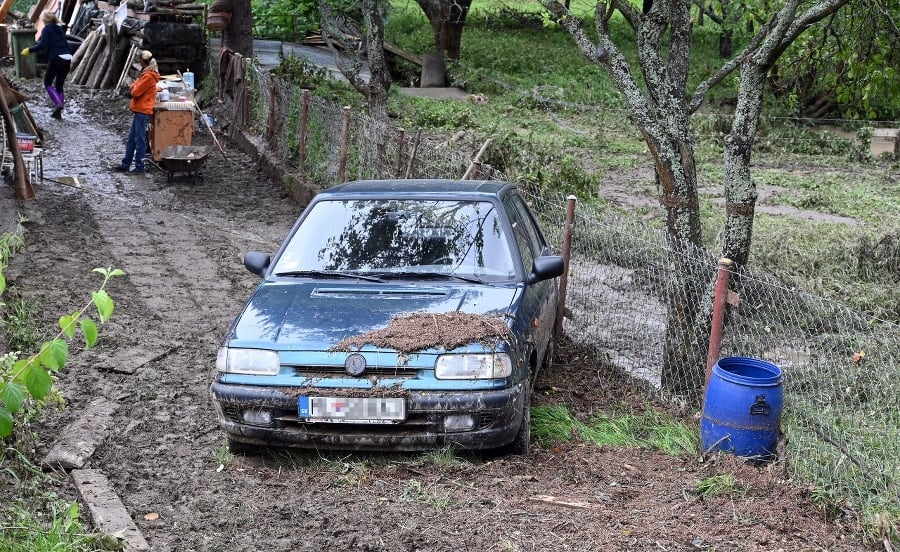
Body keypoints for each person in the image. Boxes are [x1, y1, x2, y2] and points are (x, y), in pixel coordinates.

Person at [20, 10, 72, 119]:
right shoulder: (59, 28)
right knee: (59, 85)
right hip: (67, 58)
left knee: (47, 82)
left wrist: (29, 50)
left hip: (56, 58)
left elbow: (42, 45)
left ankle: (58, 104)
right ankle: (58, 112)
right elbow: (65, 44)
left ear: (43, 20)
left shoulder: (46, 29)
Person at [116, 50, 160, 173]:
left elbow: (134, 92)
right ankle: (126, 164)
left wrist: (134, 85)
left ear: (142, 60)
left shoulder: (148, 76)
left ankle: (139, 166)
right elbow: (136, 87)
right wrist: (135, 85)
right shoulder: (146, 74)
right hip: (139, 110)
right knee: (132, 139)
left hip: (142, 110)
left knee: (139, 140)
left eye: (138, 59)